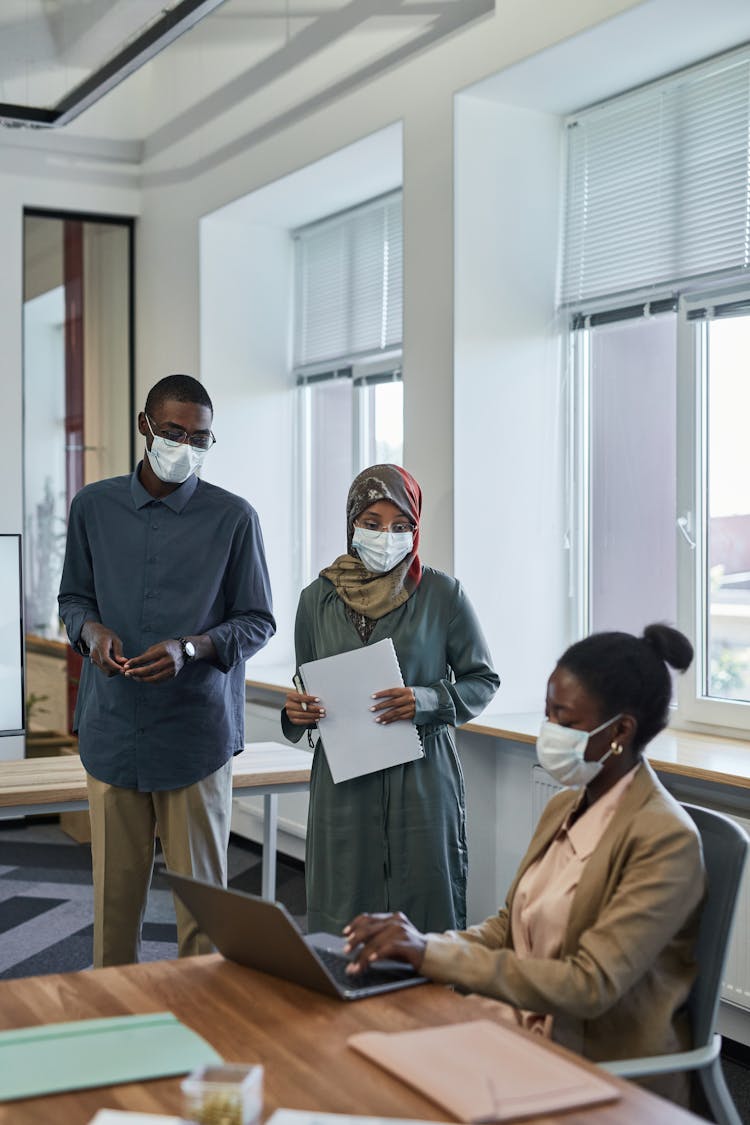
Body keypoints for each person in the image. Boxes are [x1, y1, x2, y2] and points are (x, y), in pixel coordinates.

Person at [343, 624, 706, 1105]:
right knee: (368, 1061)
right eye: (547, 713)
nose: (549, 731)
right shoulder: (566, 806)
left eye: (566, 720)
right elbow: (504, 929)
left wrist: (432, 956)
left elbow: (588, 985)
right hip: (518, 1028)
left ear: (621, 731)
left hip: (597, 1068)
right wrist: (421, 943)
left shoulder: (665, 840)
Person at [58, 374, 275, 967]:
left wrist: (193, 648)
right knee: (114, 909)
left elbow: (258, 620)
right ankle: (118, 1036)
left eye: (200, 437)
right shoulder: (92, 508)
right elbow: (73, 600)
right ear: (144, 427)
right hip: (112, 730)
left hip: (194, 737)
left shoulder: (234, 518)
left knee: (204, 918)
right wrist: (90, 631)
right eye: (174, 432)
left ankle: (201, 1037)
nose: (185, 445)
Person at [282, 463, 500, 935]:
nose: (387, 536)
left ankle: (430, 1005)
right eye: (373, 524)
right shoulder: (315, 600)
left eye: (402, 527)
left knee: (425, 902)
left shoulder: (444, 595)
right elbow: (305, 689)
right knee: (343, 902)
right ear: (351, 524)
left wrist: (426, 699)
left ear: (416, 529)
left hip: (421, 774)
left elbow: (482, 680)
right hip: (345, 779)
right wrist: (296, 712)